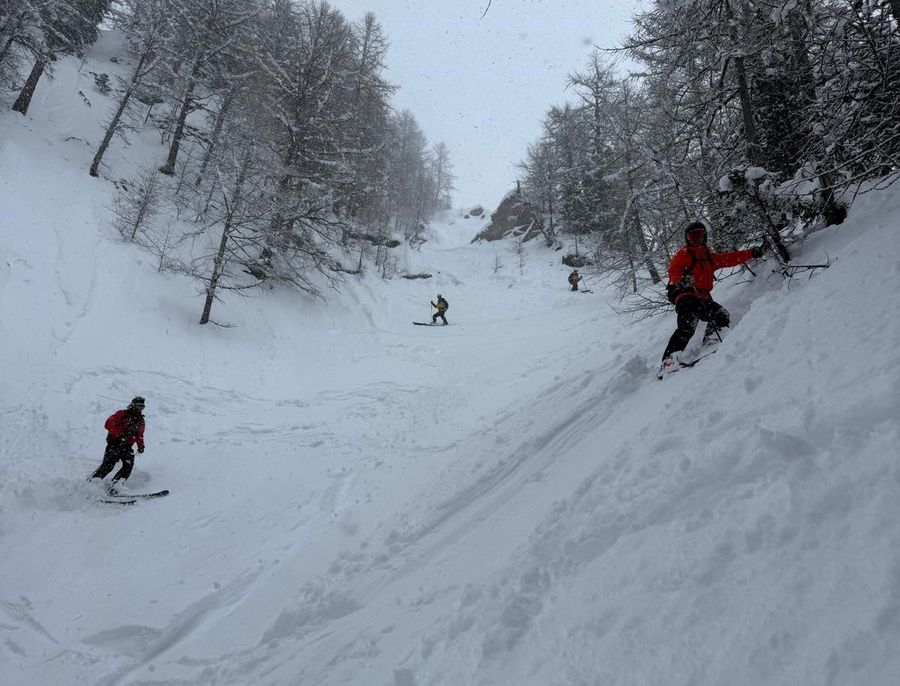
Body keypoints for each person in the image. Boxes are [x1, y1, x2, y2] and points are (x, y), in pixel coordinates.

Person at [659, 221, 765, 375]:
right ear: (687, 238)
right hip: (686, 296)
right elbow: (673, 270)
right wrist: (681, 280)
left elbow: (730, 258)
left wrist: (751, 253)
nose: (696, 239)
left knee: (721, 315)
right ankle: (668, 362)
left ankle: (712, 339)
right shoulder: (684, 254)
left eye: (699, 235)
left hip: (703, 297)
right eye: (692, 236)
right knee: (687, 327)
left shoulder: (709, 257)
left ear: (705, 236)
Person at [89, 396, 146, 492]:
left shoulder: (140, 420)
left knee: (128, 465)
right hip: (114, 443)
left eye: (142, 407)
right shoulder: (122, 413)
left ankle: (116, 485)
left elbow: (139, 434)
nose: (140, 409)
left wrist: (141, 446)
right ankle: (92, 484)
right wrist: (120, 434)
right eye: (138, 406)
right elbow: (108, 424)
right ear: (133, 405)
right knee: (108, 465)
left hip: (127, 446)